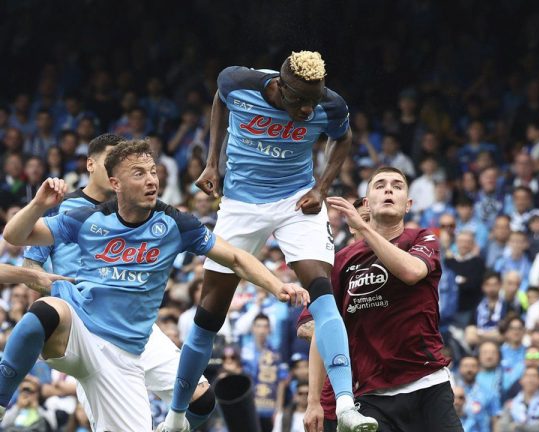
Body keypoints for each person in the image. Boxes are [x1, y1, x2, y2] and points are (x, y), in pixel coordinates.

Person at [0, 140, 308, 432]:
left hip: (129, 350)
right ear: (115, 183)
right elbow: (15, 236)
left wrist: (277, 285)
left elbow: (237, 258)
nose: (151, 180)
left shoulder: (175, 223)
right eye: (139, 173)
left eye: (153, 171)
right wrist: (38, 204)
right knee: (46, 311)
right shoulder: (87, 219)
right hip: (81, 328)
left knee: (201, 401)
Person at [162, 52, 377, 432]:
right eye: (300, 101)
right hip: (241, 204)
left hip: (296, 202)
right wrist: (213, 162)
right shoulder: (238, 82)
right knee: (209, 312)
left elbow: (342, 141)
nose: (309, 109)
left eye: (315, 99)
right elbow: (219, 99)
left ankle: (345, 406)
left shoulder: (330, 105)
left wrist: (321, 187)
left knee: (322, 292)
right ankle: (177, 416)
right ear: (279, 87)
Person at [21, 134, 217, 429]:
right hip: (87, 329)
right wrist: (68, 292)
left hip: (136, 325)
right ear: (91, 165)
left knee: (201, 399)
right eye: (112, 162)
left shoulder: (139, 210)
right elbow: (29, 265)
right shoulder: (63, 208)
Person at [300, 167, 462, 432]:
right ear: (367, 203)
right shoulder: (339, 263)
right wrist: (313, 400)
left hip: (427, 383)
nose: (389, 189)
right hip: (369, 396)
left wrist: (363, 226)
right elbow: (322, 328)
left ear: (408, 205)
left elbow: (412, 272)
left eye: (397, 186)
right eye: (380, 185)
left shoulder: (422, 238)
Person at [497, 366, 539, 431]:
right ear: (521, 380)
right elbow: (504, 426)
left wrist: (518, 427)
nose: (530, 380)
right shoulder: (510, 404)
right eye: (527, 376)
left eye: (534, 376)